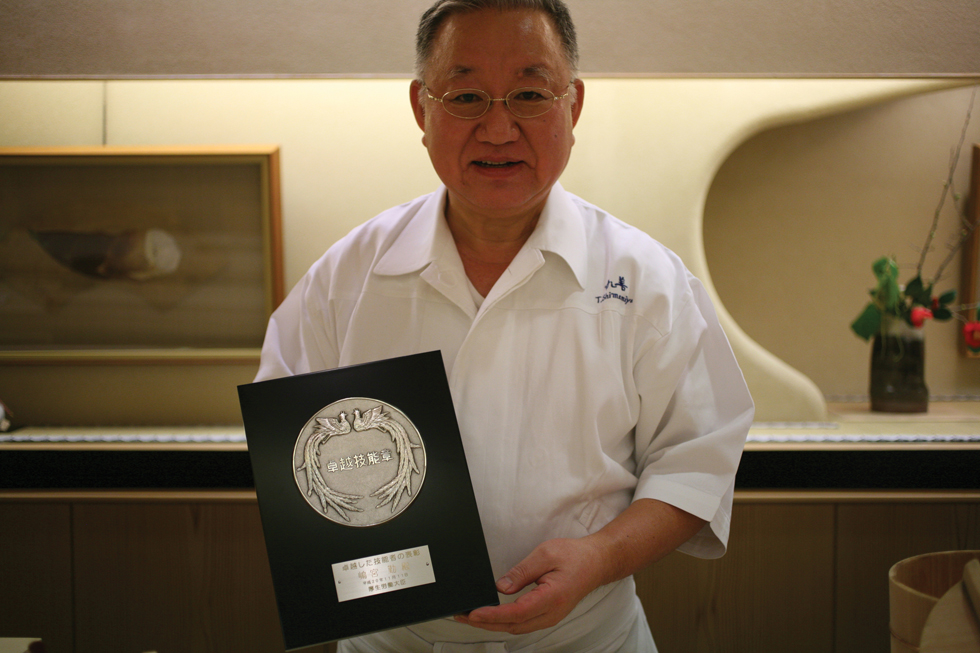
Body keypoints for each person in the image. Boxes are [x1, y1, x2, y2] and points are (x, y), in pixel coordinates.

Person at [254, 0, 754, 650]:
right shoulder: (345, 277)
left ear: (573, 106)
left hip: (586, 638)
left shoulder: (647, 279)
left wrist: (601, 555)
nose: (497, 128)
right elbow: (292, 450)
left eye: (529, 94)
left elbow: (696, 460)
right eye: (465, 97)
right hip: (392, 640)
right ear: (421, 109)